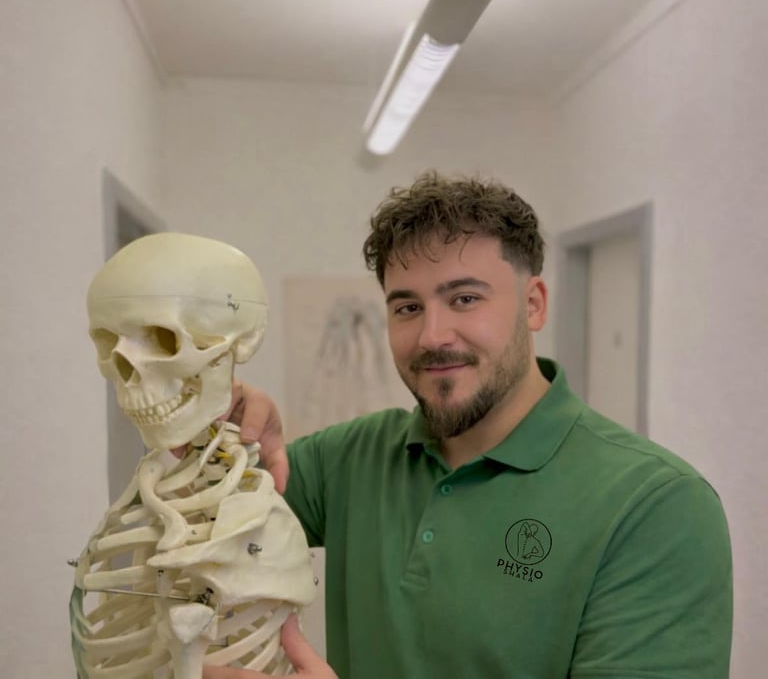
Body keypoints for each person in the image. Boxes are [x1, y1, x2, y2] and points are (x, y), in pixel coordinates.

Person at [203, 172, 732, 679]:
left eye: (464, 299)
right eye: (408, 307)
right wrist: (223, 427)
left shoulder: (656, 506)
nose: (433, 335)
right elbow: (192, 519)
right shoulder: (348, 458)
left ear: (533, 305)